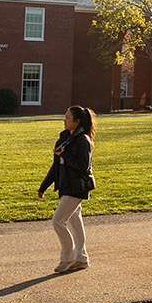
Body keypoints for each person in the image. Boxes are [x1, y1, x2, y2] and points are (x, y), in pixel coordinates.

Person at [38, 104, 95, 273]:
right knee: (74, 221)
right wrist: (43, 187)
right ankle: (81, 259)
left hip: (77, 187)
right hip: (66, 186)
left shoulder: (82, 140)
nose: (64, 120)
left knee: (58, 221)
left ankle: (67, 258)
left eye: (68, 118)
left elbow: (83, 166)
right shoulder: (64, 139)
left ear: (76, 122)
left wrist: (64, 154)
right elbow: (55, 167)